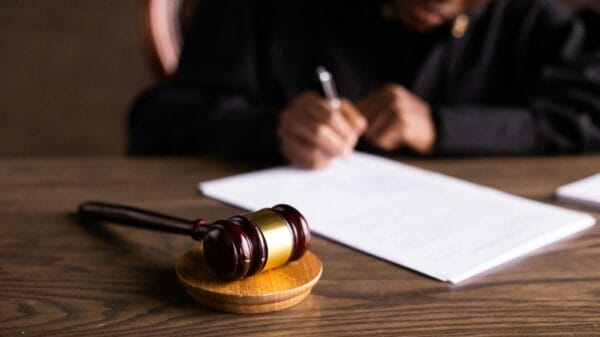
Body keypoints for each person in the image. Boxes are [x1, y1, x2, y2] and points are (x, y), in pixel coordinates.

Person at [129, 0, 600, 168]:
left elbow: (587, 112)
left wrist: (444, 127)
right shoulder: (267, 8)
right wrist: (270, 129)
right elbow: (157, 123)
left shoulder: (524, 16)